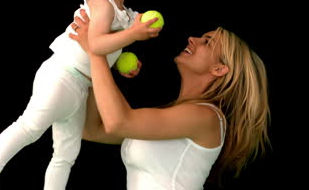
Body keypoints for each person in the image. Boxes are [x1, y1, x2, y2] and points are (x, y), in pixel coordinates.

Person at [0, 0, 162, 190]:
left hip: (81, 85)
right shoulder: (101, 3)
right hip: (63, 75)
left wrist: (123, 59)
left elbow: (107, 46)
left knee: (67, 153)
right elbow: (97, 44)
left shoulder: (123, 12)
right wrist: (132, 35)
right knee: (31, 126)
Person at [69, 10, 271, 189]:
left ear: (219, 69)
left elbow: (118, 122)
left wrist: (97, 51)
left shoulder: (206, 117)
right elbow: (92, 129)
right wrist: (96, 60)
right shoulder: (174, 114)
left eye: (207, 42)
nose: (193, 38)